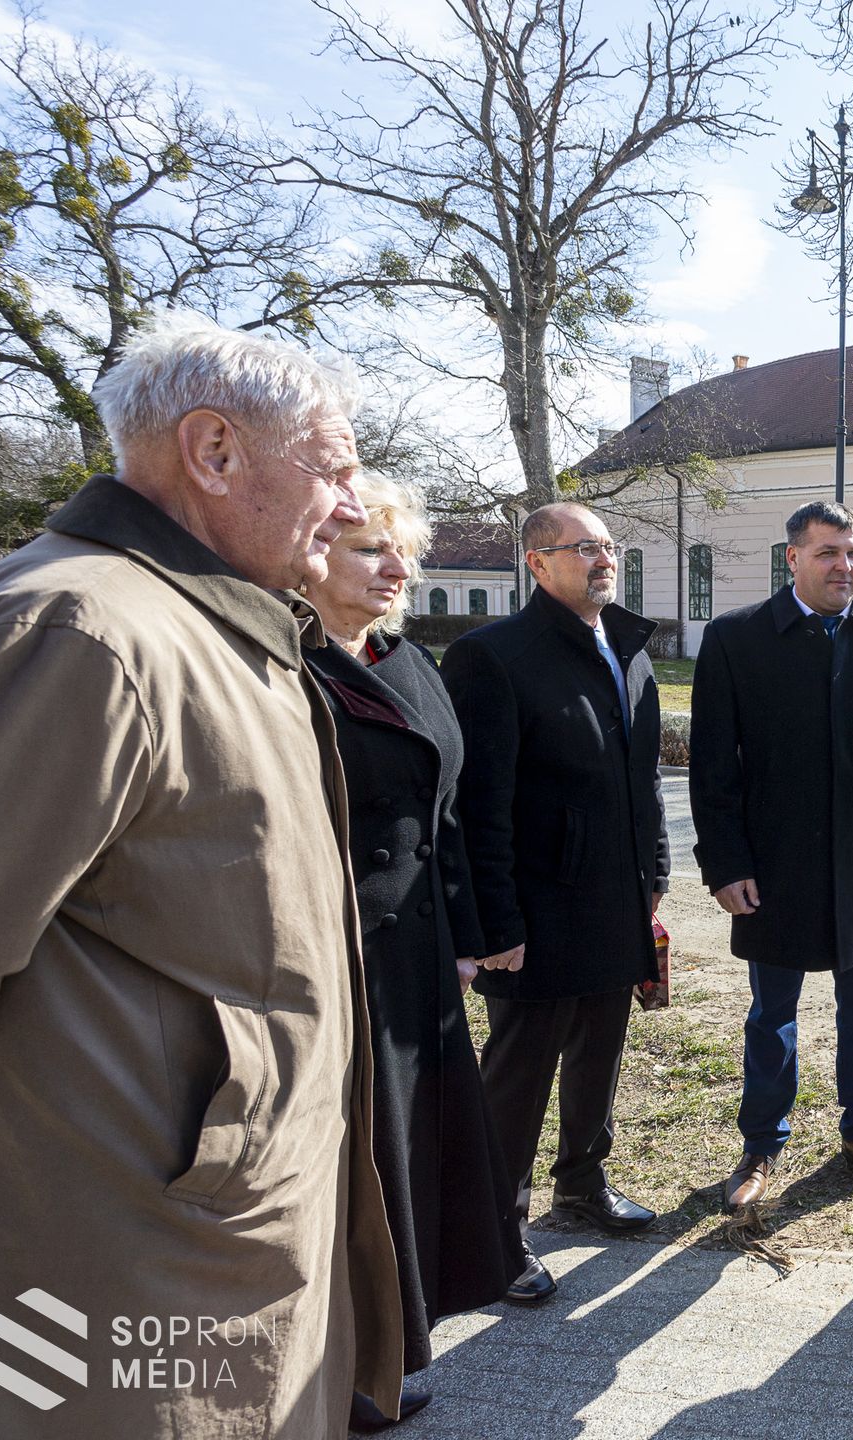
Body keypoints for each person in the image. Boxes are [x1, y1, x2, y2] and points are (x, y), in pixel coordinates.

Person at [0, 313, 402, 1437]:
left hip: (209, 1254)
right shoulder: (79, 632)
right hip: (116, 1285)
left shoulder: (210, 626)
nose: (352, 507)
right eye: (334, 470)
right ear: (213, 454)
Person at [303, 475, 521, 1429]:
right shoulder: (283, 664)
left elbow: (452, 809)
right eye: (368, 551)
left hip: (418, 964)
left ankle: (387, 1346)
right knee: (349, 1165)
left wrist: (470, 938)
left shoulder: (405, 659)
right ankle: (341, 1362)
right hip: (336, 959)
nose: (396, 569)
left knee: (407, 1158)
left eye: (404, 554)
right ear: (310, 556)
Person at [689, 500, 853, 1212]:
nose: (846, 567)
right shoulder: (738, 640)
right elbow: (714, 771)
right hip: (773, 871)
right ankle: (761, 1144)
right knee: (771, 1016)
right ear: (793, 557)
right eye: (830, 553)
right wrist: (725, 864)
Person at [442, 502, 668, 1306]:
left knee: (600, 1051)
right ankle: (492, 1236)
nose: (602, 558)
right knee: (518, 1073)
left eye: (608, 545)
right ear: (537, 564)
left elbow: (642, 783)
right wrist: (495, 924)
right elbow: (477, 803)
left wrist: (655, 881)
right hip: (534, 915)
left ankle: (582, 1183)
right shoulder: (490, 658)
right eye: (582, 548)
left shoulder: (627, 649)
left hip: (615, 900)